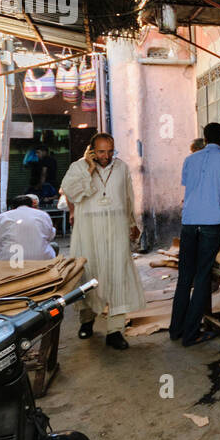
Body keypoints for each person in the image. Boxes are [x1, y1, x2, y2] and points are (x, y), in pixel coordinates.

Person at [60, 132, 146, 350]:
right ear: (91, 151)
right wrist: (89, 170)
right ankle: (86, 322)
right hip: (88, 231)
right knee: (89, 275)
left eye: (110, 151)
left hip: (116, 230)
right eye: (101, 151)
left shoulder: (121, 167)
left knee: (118, 274)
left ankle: (115, 331)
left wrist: (132, 223)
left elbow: (128, 196)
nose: (106, 156)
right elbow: (72, 193)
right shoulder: (77, 168)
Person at [169, 121, 220, 347]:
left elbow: (190, 188)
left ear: (204, 137)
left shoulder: (189, 160)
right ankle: (191, 334)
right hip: (212, 224)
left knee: (184, 277)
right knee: (202, 276)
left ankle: (176, 329)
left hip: (189, 222)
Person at [0, 194, 56, 261]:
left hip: (7, 260)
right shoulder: (43, 215)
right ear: (31, 205)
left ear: (12, 207)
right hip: (42, 259)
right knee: (54, 246)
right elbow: (50, 235)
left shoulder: (2, 217)